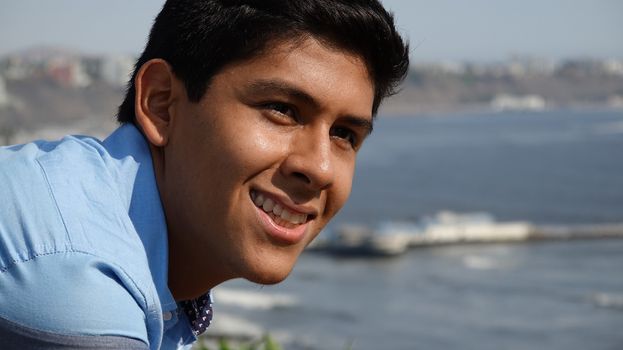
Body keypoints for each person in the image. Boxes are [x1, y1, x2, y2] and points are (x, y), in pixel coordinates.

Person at [0, 0, 409, 348]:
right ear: (161, 104)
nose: (319, 168)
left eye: (344, 135)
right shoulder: (77, 278)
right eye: (282, 109)